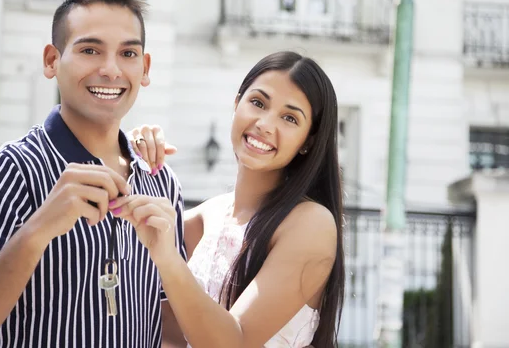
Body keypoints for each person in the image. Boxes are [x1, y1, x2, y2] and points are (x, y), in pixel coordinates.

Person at [0, 0, 186, 348]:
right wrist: (37, 231)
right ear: (52, 61)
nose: (111, 69)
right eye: (89, 49)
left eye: (128, 53)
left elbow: (174, 335)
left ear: (145, 67)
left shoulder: (161, 180)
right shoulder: (8, 169)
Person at [119, 51, 346, 347]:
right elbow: (160, 330)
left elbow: (234, 342)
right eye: (258, 103)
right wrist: (130, 160)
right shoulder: (204, 218)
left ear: (308, 141)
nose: (265, 124)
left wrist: (167, 258)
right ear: (236, 103)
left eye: (289, 118)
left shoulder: (311, 224)